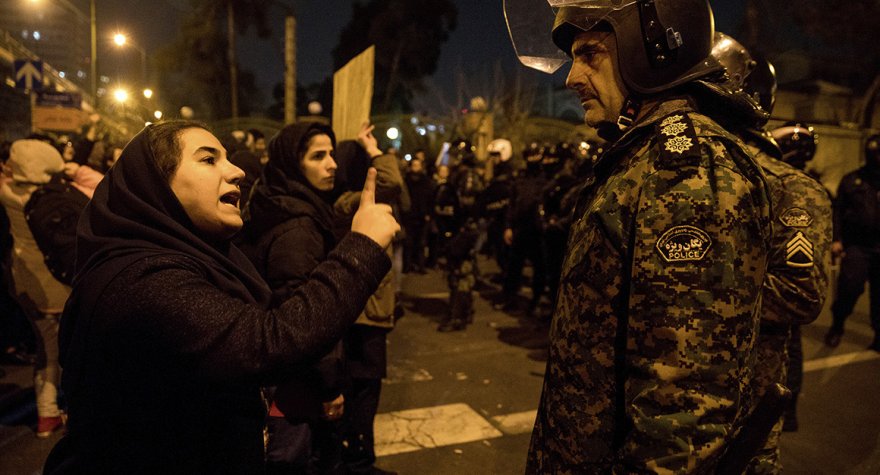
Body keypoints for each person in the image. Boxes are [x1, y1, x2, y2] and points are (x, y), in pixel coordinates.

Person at [43, 120, 399, 474]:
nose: (238, 172)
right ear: (155, 185)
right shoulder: (143, 279)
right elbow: (269, 342)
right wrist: (362, 248)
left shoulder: (187, 258)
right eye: (208, 160)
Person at [505, 0, 772, 471]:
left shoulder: (686, 172)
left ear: (653, 48)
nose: (570, 78)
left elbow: (682, 412)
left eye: (589, 54)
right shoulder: (640, 155)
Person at [702, 34, 832, 472]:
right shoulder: (683, 173)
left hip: (736, 410)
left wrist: (687, 288)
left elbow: (800, 292)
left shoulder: (788, 186)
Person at [238, 121, 345, 473]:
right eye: (318, 156)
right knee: (291, 460)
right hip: (291, 384)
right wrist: (329, 385)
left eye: (332, 154)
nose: (332, 164)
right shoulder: (298, 228)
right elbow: (305, 315)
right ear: (291, 164)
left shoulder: (287, 205)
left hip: (284, 377)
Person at [333, 126, 403, 475]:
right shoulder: (350, 201)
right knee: (364, 387)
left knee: (359, 386)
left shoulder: (342, 199)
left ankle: (358, 453)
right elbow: (392, 181)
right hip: (365, 311)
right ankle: (359, 458)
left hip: (362, 309)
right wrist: (374, 149)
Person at [0, 139, 70, 438]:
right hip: (54, 284)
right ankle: (51, 413)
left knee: (47, 348)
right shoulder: (51, 198)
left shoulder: (7, 193)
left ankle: (47, 413)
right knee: (63, 350)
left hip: (23, 282)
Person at [825, 133, 880, 352]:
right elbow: (837, 211)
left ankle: (878, 335)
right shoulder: (852, 180)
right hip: (857, 245)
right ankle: (837, 324)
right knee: (849, 288)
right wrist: (836, 239)